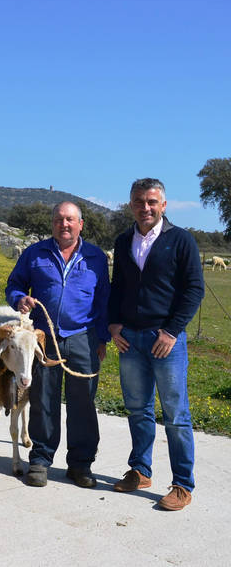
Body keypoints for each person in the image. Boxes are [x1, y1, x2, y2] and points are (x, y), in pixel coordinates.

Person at [109, 178, 204, 511]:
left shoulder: (181, 240)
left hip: (166, 341)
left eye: (151, 201)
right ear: (131, 204)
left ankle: (182, 484)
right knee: (137, 409)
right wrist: (113, 323)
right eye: (138, 201)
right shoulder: (123, 241)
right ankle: (141, 469)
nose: (144, 207)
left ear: (164, 205)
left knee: (176, 415)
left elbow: (194, 289)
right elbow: (117, 286)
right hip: (129, 340)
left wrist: (172, 331)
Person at [5, 201, 110, 488]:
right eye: (59, 219)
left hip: (83, 338)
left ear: (81, 224)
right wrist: (19, 299)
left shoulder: (96, 257)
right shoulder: (34, 254)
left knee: (83, 403)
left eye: (70, 220)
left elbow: (104, 301)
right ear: (52, 223)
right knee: (43, 398)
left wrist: (102, 338)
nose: (64, 224)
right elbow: (14, 284)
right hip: (44, 338)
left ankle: (80, 464)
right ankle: (40, 460)